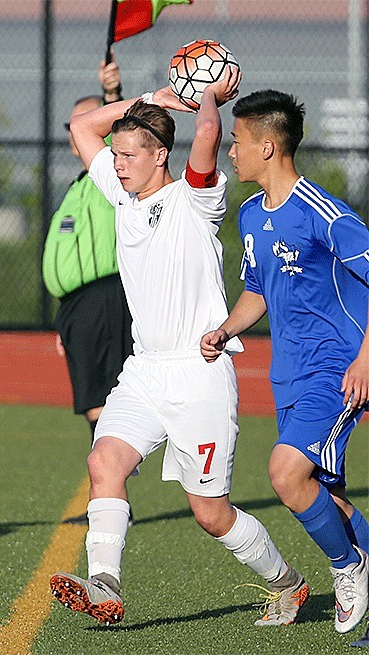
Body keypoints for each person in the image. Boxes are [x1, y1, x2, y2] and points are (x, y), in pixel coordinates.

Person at [49, 70, 310, 628]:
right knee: (103, 461)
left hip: (201, 373)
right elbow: (79, 127)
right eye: (115, 154)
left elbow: (209, 138)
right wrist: (151, 98)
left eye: (129, 155)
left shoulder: (196, 199)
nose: (117, 164)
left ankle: (287, 583)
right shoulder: (121, 197)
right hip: (143, 371)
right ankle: (105, 584)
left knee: (210, 515)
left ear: (160, 154)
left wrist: (209, 98)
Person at [200, 89, 369, 635]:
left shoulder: (326, 213)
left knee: (285, 472)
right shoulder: (251, 215)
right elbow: (259, 290)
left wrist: (365, 359)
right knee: (329, 496)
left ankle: (348, 568)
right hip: (288, 375)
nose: (231, 152)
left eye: (238, 141)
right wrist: (225, 328)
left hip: (337, 369)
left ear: (268, 147)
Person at [42, 56, 133, 523]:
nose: (75, 133)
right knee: (93, 403)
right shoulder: (81, 183)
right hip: (79, 307)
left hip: (102, 298)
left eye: (85, 122)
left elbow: (126, 136)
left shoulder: (109, 176)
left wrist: (114, 95)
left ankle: (108, 496)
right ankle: (110, 492)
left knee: (102, 401)